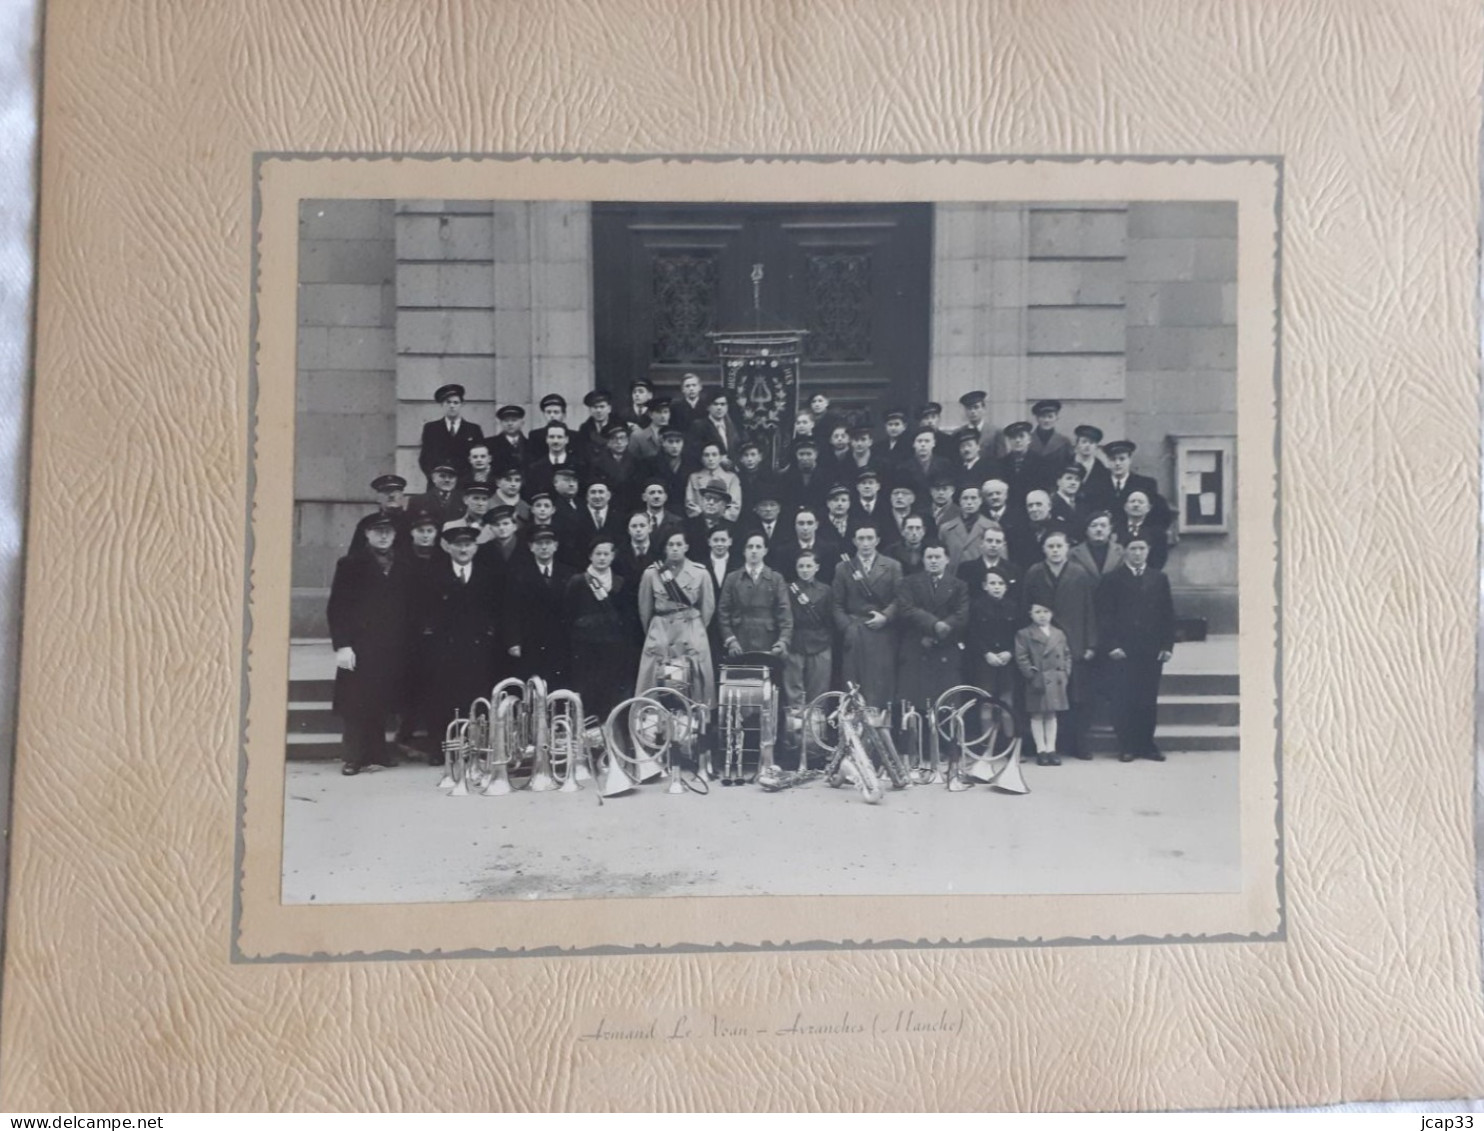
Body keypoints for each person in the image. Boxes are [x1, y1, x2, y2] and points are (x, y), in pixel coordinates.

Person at [327, 514, 412, 776]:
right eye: (377, 531)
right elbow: (337, 607)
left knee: (379, 699)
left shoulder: (404, 565)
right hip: (359, 645)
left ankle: (378, 752)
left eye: (388, 531)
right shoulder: (350, 564)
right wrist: (342, 645)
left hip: (390, 646)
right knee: (355, 702)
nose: (383, 536)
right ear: (366, 534)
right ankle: (353, 757)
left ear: (395, 535)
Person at [423, 524, 504, 752]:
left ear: (475, 548)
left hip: (477, 647)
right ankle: (441, 748)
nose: (463, 549)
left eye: (468, 544)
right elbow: (423, 610)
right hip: (444, 647)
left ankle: (475, 747)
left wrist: (489, 634)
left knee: (476, 696)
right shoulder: (433, 574)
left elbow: (496, 609)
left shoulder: (487, 575)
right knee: (441, 697)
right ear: (448, 547)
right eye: (458, 545)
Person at [1096, 535, 1177, 763]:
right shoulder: (1112, 579)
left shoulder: (1159, 578)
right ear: (1125, 551)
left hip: (1151, 650)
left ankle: (1147, 744)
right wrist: (1111, 645)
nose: (1137, 553)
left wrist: (1167, 645)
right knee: (1124, 698)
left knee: (1147, 698)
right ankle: (1127, 745)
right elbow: (1104, 616)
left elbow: (1167, 615)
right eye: (1133, 548)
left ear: (1148, 551)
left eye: (1142, 548)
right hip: (1123, 650)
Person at [1020, 530, 1099, 759]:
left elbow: (1089, 610)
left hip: (1073, 639)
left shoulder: (1079, 573)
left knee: (1075, 694)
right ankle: (1041, 746)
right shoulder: (1034, 572)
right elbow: (1026, 606)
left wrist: (1091, 643)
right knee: (1041, 694)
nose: (1055, 551)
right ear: (1044, 549)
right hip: (1041, 641)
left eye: (1059, 546)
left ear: (1067, 549)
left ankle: (1077, 743)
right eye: (1050, 546)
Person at [563, 537, 639, 722]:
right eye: (598, 554)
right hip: (586, 646)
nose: (602, 558)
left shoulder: (620, 582)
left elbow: (627, 616)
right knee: (588, 692)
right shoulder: (578, 581)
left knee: (610, 691)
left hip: (613, 646)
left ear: (613, 556)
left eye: (606, 554)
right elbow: (568, 614)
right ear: (590, 556)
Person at [636, 531, 717, 705]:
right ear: (665, 548)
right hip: (661, 632)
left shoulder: (701, 573)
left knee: (693, 678)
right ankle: (653, 724)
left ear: (686, 547)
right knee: (656, 682)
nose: (674, 549)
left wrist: (695, 629)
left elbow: (707, 608)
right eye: (670, 545)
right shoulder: (651, 574)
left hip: (690, 630)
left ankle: (695, 722)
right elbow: (645, 611)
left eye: (679, 544)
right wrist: (655, 632)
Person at [831, 522, 903, 710]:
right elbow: (836, 604)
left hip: (883, 633)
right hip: (855, 632)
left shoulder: (893, 566)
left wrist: (885, 617)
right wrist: (847, 628)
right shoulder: (843, 567)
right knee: (853, 684)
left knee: (881, 684)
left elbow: (900, 599)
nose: (865, 543)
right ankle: (853, 734)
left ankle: (880, 731)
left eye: (870, 538)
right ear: (854, 541)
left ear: (877, 540)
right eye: (861, 538)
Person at [894, 542, 970, 712]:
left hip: (946, 646)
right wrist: (934, 624)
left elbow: (962, 614)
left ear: (947, 559)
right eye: (929, 557)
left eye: (938, 557)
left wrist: (944, 627)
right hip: (917, 646)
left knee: (946, 702)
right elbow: (906, 609)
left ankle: (946, 737)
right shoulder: (908, 583)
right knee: (914, 704)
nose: (933, 561)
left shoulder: (959, 585)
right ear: (923, 559)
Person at [513, 528, 574, 687]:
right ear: (531, 547)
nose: (544, 547)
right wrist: (514, 641)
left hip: (561, 640)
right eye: (539, 543)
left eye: (548, 543)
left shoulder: (569, 573)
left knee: (560, 684)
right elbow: (511, 611)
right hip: (531, 641)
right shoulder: (519, 573)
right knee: (533, 685)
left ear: (556, 546)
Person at [719, 532, 793, 660]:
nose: (754, 551)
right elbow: (723, 612)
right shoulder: (732, 578)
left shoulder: (776, 579)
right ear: (744, 551)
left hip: (769, 641)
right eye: (750, 547)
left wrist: (782, 641)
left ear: (765, 551)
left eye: (758, 547)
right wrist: (731, 640)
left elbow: (784, 613)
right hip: (740, 640)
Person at [1015, 602, 1072, 767]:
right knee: (1037, 714)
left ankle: (1051, 749)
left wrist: (1065, 673)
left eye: (1046, 611)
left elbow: (1067, 654)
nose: (1042, 615)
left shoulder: (1059, 633)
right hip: (1037, 679)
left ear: (1052, 614)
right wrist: (1031, 674)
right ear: (1031, 614)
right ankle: (1041, 750)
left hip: (1056, 678)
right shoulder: (1024, 634)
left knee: (1052, 714)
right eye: (1037, 612)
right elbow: (1021, 656)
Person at [782, 550, 835, 727]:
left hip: (820, 643)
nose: (805, 570)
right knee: (793, 692)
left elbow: (830, 619)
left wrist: (826, 638)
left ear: (817, 567)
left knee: (818, 693)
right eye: (801, 566)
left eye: (809, 566)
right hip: (794, 643)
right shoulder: (788, 590)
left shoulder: (826, 590)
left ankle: (816, 741)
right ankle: (794, 738)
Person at [965, 568, 1020, 719]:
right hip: (984, 661)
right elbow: (972, 634)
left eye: (1001, 583)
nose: (997, 587)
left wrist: (1010, 652)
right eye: (993, 583)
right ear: (985, 585)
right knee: (986, 701)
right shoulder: (976, 607)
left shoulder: (1013, 607)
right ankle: (986, 742)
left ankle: (1010, 740)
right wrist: (986, 653)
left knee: (1007, 702)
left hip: (1007, 662)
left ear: (1006, 587)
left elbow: (1019, 635)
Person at [418, 383, 484, 484]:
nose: (452, 406)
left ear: (461, 404)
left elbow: (479, 457)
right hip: (438, 483)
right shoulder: (431, 428)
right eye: (448, 402)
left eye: (455, 402)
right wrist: (433, 477)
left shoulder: (473, 429)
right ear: (442, 405)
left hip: (464, 484)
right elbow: (424, 458)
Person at [348, 474, 413, 552]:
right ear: (378, 498)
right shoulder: (368, 522)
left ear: (402, 496)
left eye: (396, 492)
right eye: (387, 491)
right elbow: (355, 554)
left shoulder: (412, 520)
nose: (391, 495)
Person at [956, 521, 1020, 598]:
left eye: (998, 542)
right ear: (982, 543)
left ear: (1003, 545)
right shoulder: (966, 569)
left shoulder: (1013, 570)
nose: (993, 545)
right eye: (989, 541)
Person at [938, 484, 992, 571]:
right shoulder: (946, 529)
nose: (969, 502)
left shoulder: (991, 527)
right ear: (960, 501)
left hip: (983, 578)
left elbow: (1000, 559)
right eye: (965, 498)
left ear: (980, 501)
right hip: (954, 577)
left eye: (973, 498)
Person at [685, 441, 742, 521]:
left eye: (714, 455)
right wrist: (704, 519)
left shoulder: (732, 478)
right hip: (700, 523)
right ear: (701, 458)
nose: (710, 459)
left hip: (723, 523)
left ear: (721, 457)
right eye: (706, 455)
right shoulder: (694, 477)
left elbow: (734, 506)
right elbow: (690, 505)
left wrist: (719, 520)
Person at [1115, 490, 1170, 569]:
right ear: (1125, 507)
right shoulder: (1115, 529)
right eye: (1132, 501)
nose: (1136, 505)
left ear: (1149, 508)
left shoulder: (1158, 533)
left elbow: (1159, 560)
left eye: (1140, 502)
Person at [1070, 510, 1126, 579]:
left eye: (1103, 525)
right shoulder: (1074, 553)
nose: (1099, 529)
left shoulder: (1121, 551)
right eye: (1094, 526)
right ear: (1086, 530)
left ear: (1110, 529)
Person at [689, 388, 739, 462]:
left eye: (722, 404)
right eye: (715, 404)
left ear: (727, 407)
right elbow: (694, 451)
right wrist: (719, 459)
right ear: (708, 407)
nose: (719, 408)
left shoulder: (732, 425)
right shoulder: (699, 426)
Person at [408, 463, 464, 529]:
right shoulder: (417, 501)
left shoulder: (464, 500)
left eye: (451, 477)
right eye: (442, 476)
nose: (447, 480)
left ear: (456, 480)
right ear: (433, 479)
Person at [1027, 399, 1073, 467]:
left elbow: (1070, 465)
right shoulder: (1027, 440)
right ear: (1037, 418)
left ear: (1056, 418)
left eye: (1050, 416)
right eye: (1043, 416)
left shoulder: (1064, 442)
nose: (1046, 420)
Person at [614, 511, 659, 581]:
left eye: (642, 525)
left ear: (650, 528)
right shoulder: (619, 554)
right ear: (628, 530)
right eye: (634, 526)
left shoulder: (659, 551)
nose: (638, 530)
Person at [487, 404, 530, 475]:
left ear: (522, 423)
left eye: (514, 420)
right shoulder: (490, 444)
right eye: (506, 420)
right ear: (500, 423)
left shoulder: (531, 444)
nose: (510, 423)